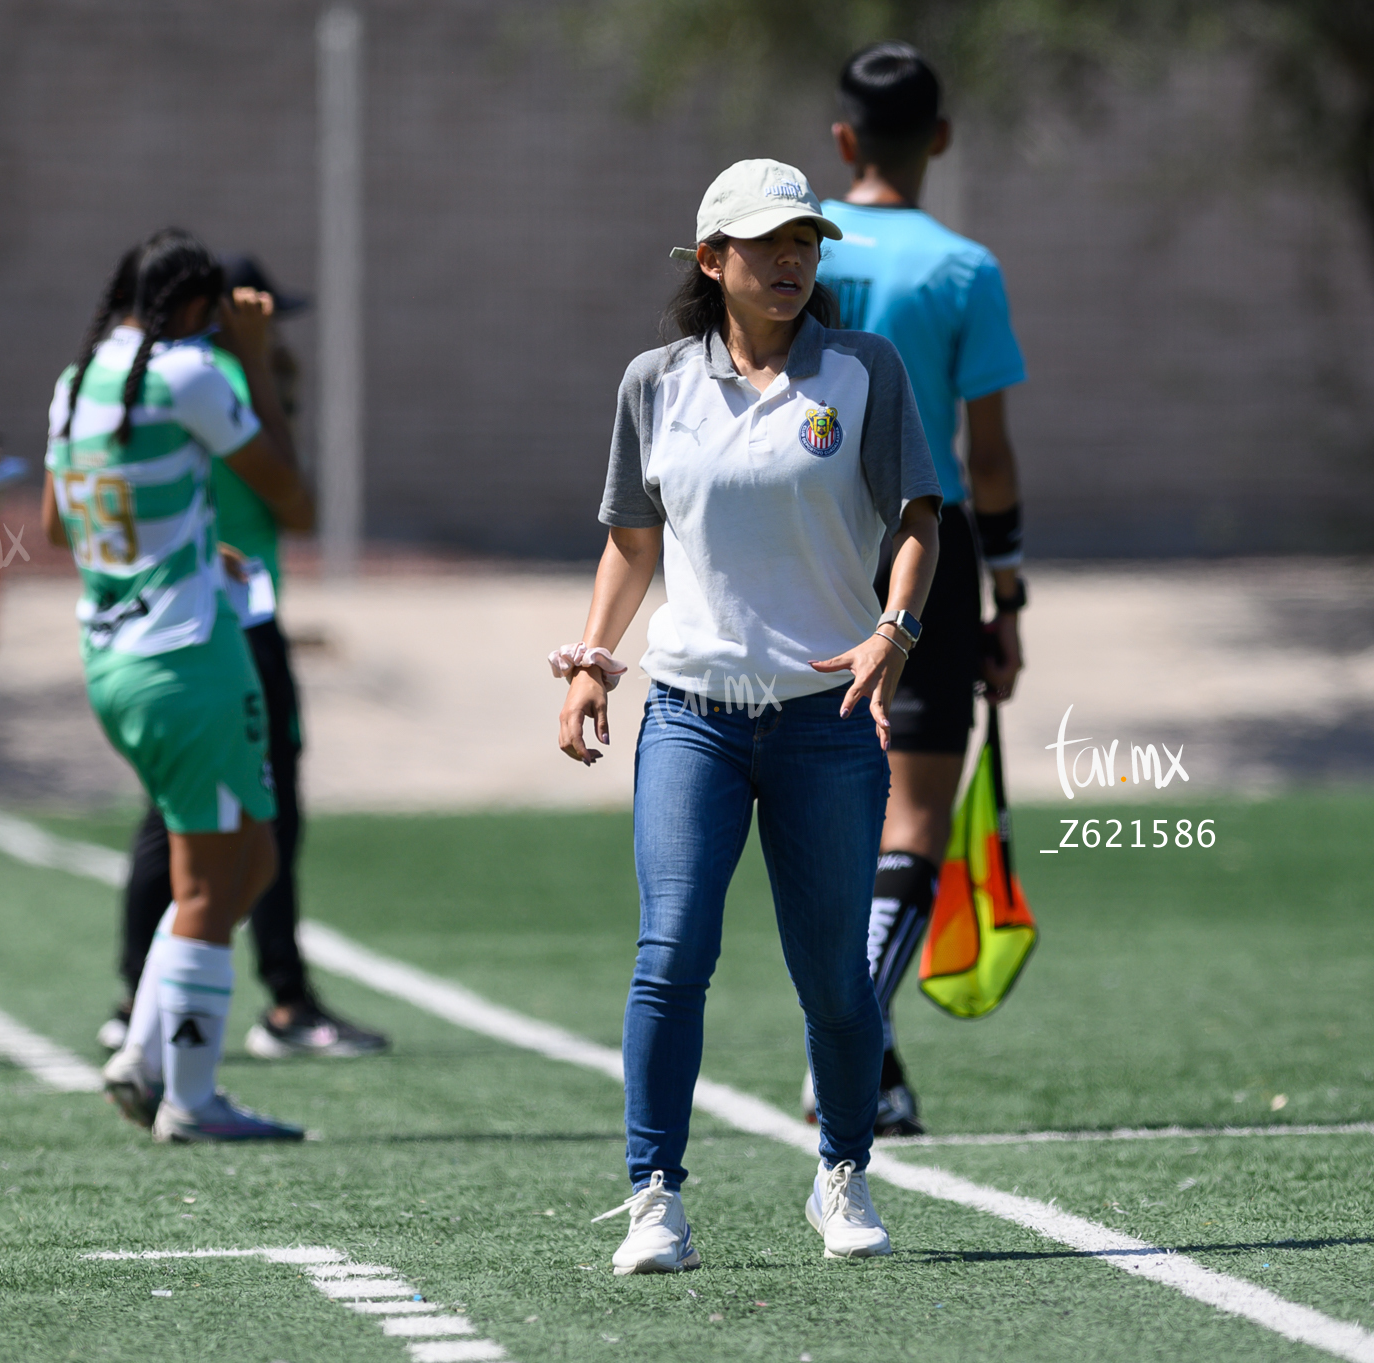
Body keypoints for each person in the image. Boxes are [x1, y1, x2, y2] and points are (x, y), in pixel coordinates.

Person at [556, 159, 941, 1271]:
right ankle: (654, 1197)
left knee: (830, 973)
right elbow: (632, 541)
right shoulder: (652, 383)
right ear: (711, 259)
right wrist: (592, 660)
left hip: (827, 723)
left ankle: (843, 1174)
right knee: (670, 951)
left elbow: (917, 517)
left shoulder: (863, 369)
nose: (790, 261)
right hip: (690, 717)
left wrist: (893, 628)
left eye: (805, 242)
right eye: (767, 243)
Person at [811, 42, 1032, 1136]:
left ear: (842, 139)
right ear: (938, 138)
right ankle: (849, 1047)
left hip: (796, 546)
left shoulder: (778, 244)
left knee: (823, 807)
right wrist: (1006, 597)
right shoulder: (960, 268)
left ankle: (866, 1056)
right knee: (912, 817)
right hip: (918, 553)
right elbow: (983, 458)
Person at [44, 228, 308, 1143]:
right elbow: (292, 495)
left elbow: (54, 522)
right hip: (187, 656)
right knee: (211, 878)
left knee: (252, 861)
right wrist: (255, 360)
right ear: (197, 309)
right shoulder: (192, 372)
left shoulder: (75, 384)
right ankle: (188, 1100)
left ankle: (147, 1055)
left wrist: (179, 546)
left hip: (114, 656)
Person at [96, 253, 388, 1062]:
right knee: (258, 826)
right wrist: (259, 367)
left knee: (181, 820)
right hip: (223, 622)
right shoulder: (209, 374)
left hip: (150, 628)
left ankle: (139, 1005)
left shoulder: (118, 375)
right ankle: (271, 1004)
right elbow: (293, 500)